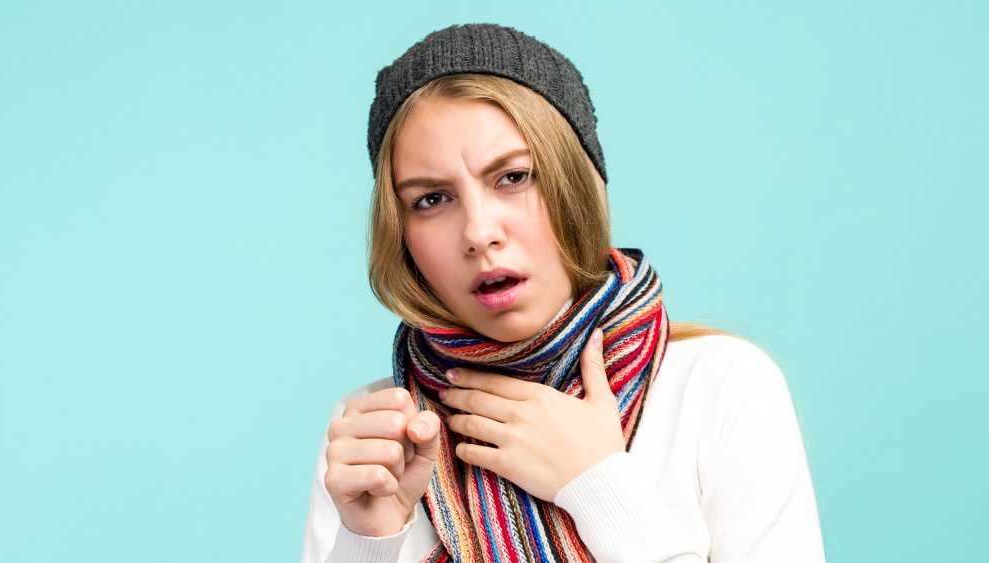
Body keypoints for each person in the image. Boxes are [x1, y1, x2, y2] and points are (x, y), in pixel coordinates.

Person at [301, 23, 825, 563]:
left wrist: (597, 483)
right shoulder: (375, 433)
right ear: (402, 233)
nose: (479, 233)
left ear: (574, 181)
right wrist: (369, 544)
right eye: (432, 199)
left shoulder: (720, 386)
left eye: (513, 177)